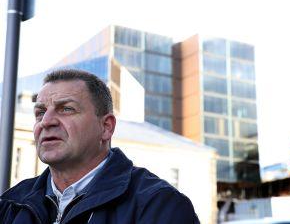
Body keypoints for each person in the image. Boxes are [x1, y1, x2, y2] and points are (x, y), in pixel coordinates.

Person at [0, 69, 200, 224]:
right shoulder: (10, 205)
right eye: (40, 112)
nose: (46, 121)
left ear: (106, 127)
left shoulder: (159, 206)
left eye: (66, 109)